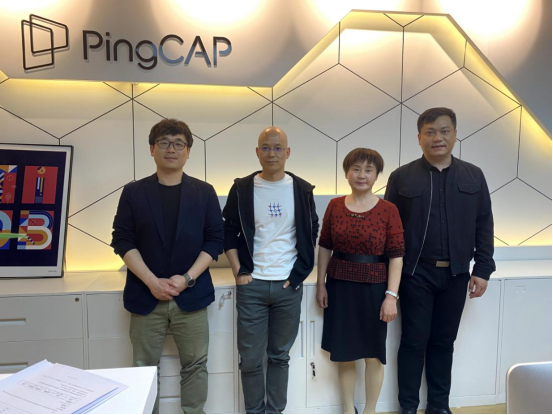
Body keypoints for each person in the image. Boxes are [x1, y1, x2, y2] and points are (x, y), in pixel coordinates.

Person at [385, 108, 496, 415]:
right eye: (430, 132)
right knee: (413, 342)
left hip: (457, 274)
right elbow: (390, 229)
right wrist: (389, 279)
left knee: (444, 343)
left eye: (444, 131)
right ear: (419, 137)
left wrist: (482, 269)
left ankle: (438, 406)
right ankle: (408, 407)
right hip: (415, 274)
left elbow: (484, 224)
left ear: (455, 134)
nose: (438, 138)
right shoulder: (402, 176)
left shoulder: (474, 175)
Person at [111, 119, 224, 415]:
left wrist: (187, 278)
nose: (171, 149)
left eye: (178, 143)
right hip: (145, 294)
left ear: (188, 151)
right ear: (152, 149)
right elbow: (122, 240)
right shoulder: (134, 192)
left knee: (196, 365)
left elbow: (215, 240)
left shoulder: (204, 192)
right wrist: (152, 281)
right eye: (163, 142)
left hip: (192, 295)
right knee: (143, 368)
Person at [223, 127, 319, 414]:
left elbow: (311, 229)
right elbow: (228, 231)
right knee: (250, 359)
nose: (272, 153)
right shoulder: (242, 188)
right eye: (266, 147)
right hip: (252, 285)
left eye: (278, 148)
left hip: (288, 286)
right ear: (257, 152)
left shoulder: (302, 189)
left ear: (287, 152)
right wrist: (239, 271)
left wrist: (298, 274)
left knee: (279, 357)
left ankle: (275, 411)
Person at [317, 148, 405, 415]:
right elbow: (325, 246)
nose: (361, 175)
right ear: (346, 173)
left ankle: (370, 411)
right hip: (340, 287)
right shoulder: (334, 205)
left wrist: (391, 296)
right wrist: (321, 284)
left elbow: (397, 256)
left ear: (377, 175)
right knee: (344, 353)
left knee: (373, 354)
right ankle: (348, 409)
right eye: (356, 169)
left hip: (375, 290)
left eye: (368, 170)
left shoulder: (388, 210)